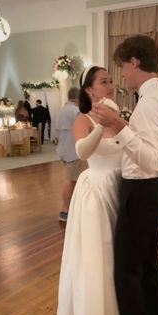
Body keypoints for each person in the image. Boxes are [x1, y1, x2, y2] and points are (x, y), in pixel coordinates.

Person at [53, 65, 158, 315]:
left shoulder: (119, 115)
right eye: (103, 81)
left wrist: (118, 123)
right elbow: (82, 152)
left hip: (124, 189)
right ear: (89, 90)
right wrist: (104, 127)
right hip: (96, 192)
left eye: (111, 81)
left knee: (129, 261)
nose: (111, 86)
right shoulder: (83, 118)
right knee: (101, 261)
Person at [92, 35, 158, 315]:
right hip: (149, 190)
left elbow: (151, 159)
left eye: (123, 67)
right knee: (147, 266)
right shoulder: (154, 97)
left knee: (127, 272)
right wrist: (124, 126)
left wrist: (118, 125)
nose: (122, 75)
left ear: (135, 62)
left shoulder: (151, 101)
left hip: (142, 190)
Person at [56, 87, 87, 223]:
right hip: (73, 152)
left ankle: (71, 209)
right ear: (77, 98)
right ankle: (65, 211)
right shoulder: (76, 112)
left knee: (73, 181)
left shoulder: (61, 110)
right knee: (71, 181)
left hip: (63, 150)